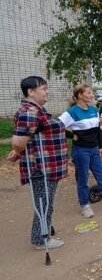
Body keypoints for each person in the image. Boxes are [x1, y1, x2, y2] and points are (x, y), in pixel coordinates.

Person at [7, 76, 67, 249]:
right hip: (41, 167)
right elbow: (18, 142)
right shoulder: (30, 112)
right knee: (44, 203)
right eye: (43, 88)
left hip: (49, 165)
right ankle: (41, 239)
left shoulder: (37, 110)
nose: (47, 91)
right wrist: (17, 151)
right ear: (30, 92)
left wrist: (18, 151)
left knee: (45, 202)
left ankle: (45, 230)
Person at [59, 84, 102, 218]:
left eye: (91, 93)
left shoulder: (92, 109)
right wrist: (71, 135)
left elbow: (98, 128)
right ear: (79, 95)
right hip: (81, 151)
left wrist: (100, 146)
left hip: (94, 149)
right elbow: (57, 127)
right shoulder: (72, 112)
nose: (92, 95)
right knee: (83, 179)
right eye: (89, 93)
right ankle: (84, 205)